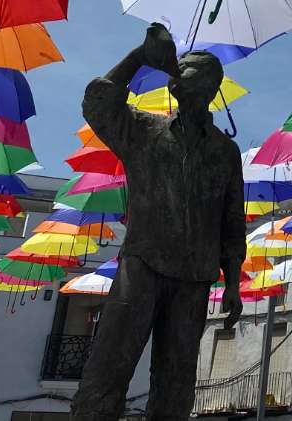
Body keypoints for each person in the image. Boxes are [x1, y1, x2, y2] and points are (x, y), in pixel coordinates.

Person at [70, 23, 245, 421]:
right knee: (107, 371)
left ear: (210, 88)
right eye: (179, 71)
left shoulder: (225, 152)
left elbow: (232, 221)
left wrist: (232, 281)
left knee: (176, 386)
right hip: (143, 266)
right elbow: (98, 103)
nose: (178, 77)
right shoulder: (144, 131)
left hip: (195, 277)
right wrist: (139, 57)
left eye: (190, 71)